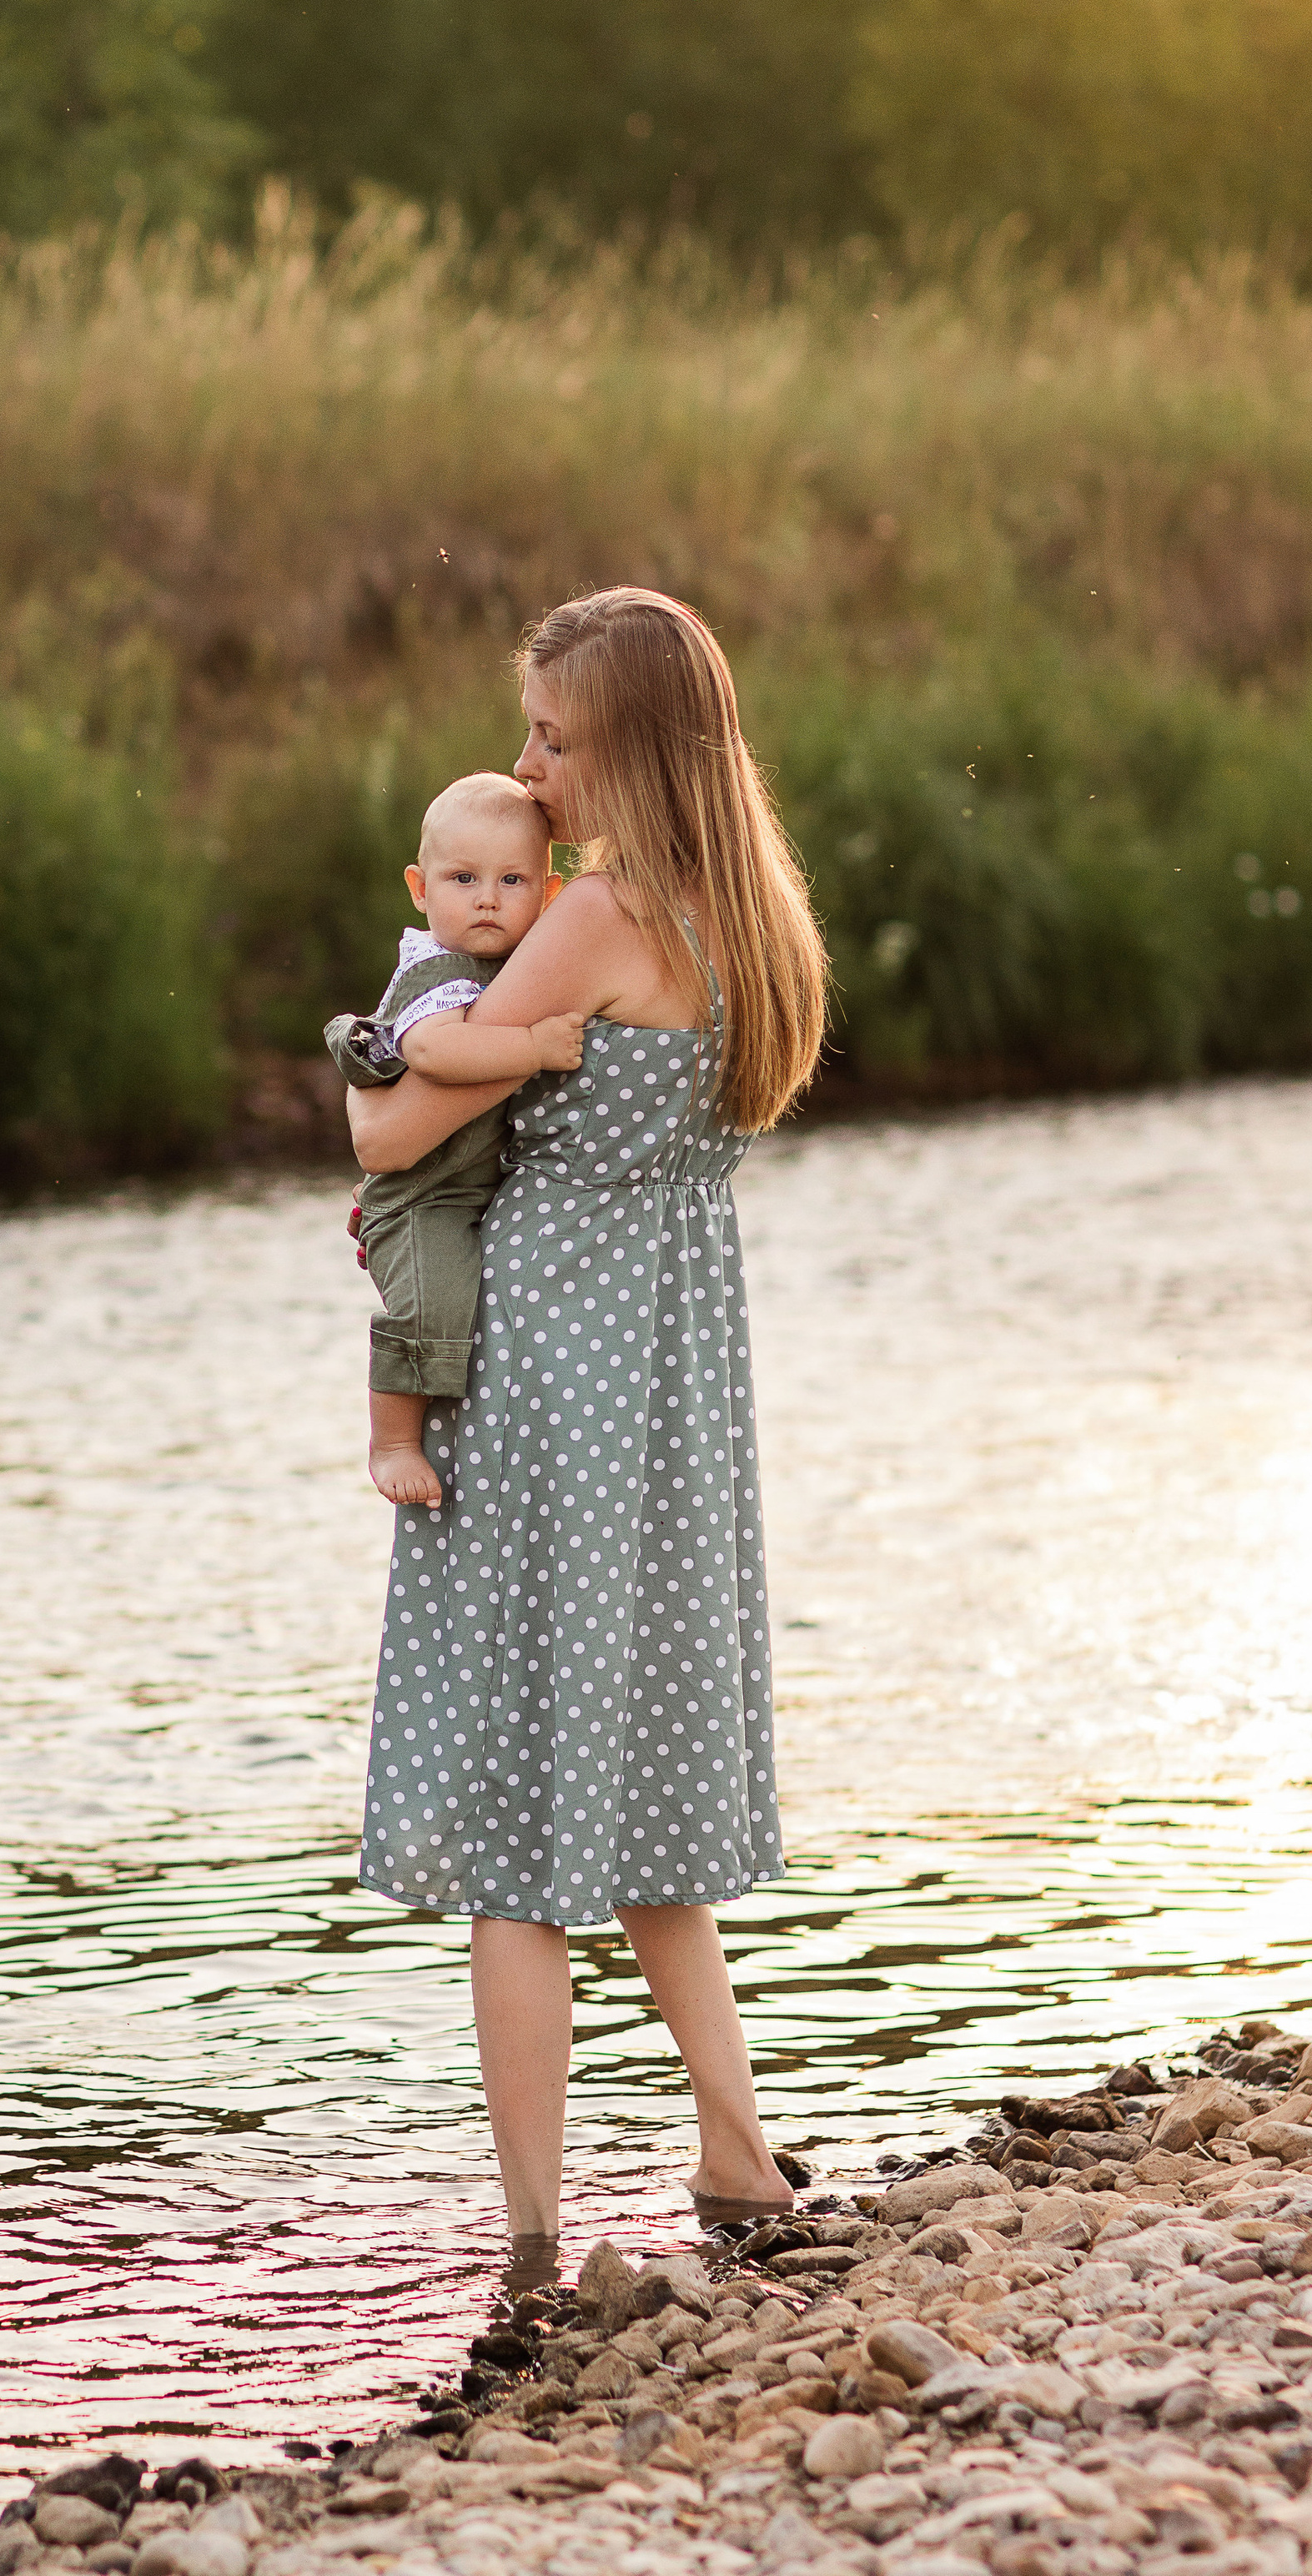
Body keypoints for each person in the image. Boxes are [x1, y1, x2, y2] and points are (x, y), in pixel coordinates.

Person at [344, 587, 827, 2257]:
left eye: (552, 737)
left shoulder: (596, 915)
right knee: (649, 1781)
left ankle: (534, 2237)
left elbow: (391, 1133)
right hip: (675, 1372)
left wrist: (384, 1110)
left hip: (547, 1366)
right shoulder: (752, 912)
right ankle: (736, 2153)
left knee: (515, 1822)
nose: (526, 767)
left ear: (626, 745)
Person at [324, 773, 586, 1509]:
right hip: (421, 1196)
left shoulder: (511, 965)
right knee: (433, 1303)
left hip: (466, 1185)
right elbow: (435, 1053)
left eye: (512, 881)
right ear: (420, 888)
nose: (487, 900)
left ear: (550, 894)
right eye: (463, 879)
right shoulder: (436, 970)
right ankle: (392, 1442)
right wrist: (533, 1047)